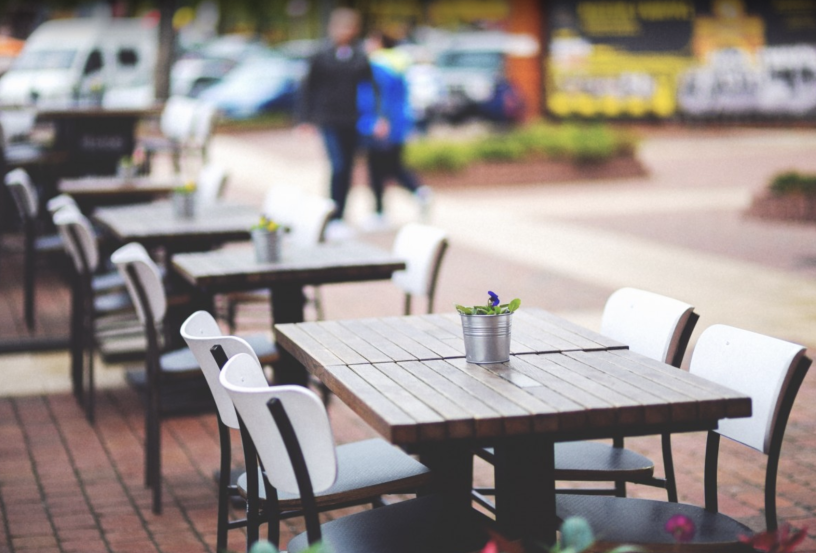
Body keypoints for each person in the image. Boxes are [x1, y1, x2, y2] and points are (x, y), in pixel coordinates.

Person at [296, 8, 383, 240]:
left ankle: (341, 214)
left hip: (352, 120)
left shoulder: (359, 56)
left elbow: (372, 88)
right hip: (329, 120)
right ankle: (333, 216)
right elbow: (308, 88)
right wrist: (305, 119)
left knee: (349, 169)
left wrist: (378, 117)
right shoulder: (320, 55)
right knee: (339, 165)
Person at [357, 31, 431, 229]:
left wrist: (377, 121)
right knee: (395, 167)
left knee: (376, 170)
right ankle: (419, 192)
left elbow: (376, 96)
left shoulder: (377, 65)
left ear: (379, 42)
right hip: (398, 125)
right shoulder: (400, 62)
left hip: (381, 126)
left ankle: (380, 213)